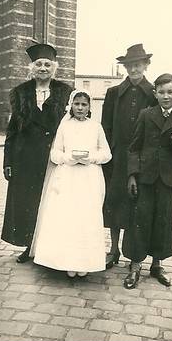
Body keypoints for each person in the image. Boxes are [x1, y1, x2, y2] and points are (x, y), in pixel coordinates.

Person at [122, 74, 172, 290]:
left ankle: (157, 265)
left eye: (170, 92)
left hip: (169, 180)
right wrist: (132, 175)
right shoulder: (146, 115)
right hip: (145, 179)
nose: (166, 96)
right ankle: (135, 265)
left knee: (163, 221)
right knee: (140, 220)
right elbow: (133, 147)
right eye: (161, 92)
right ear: (155, 94)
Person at [1, 43, 73, 263]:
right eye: (39, 64)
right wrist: (8, 162)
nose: (43, 68)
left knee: (52, 202)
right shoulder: (20, 93)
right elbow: (12, 131)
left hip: (53, 158)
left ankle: (49, 248)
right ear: (31, 68)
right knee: (27, 202)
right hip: (25, 159)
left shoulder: (65, 92)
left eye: (47, 64)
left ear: (54, 68)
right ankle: (28, 246)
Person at [32, 91, 111, 277]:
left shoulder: (96, 127)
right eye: (77, 104)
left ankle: (84, 262)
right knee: (68, 217)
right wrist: (69, 158)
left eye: (84, 105)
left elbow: (107, 154)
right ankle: (66, 260)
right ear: (71, 105)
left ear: (89, 107)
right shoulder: (64, 127)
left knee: (86, 218)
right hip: (68, 177)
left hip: (89, 178)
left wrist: (90, 158)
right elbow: (54, 154)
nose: (80, 108)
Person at [101, 44, 158, 269]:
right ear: (124, 67)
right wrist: (108, 153)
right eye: (129, 65)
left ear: (145, 65)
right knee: (114, 202)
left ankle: (136, 254)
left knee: (139, 206)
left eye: (138, 64)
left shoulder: (154, 93)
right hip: (117, 157)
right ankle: (113, 250)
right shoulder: (113, 93)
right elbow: (105, 126)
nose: (134, 69)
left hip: (144, 159)